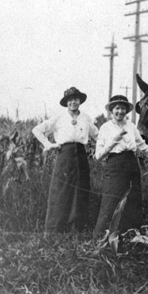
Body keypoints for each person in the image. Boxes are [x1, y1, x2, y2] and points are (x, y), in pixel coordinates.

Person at [94, 95, 148, 238]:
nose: (120, 111)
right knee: (111, 200)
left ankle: (130, 235)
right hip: (114, 165)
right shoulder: (105, 128)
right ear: (111, 110)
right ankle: (102, 235)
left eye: (123, 108)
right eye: (117, 108)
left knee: (133, 200)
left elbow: (144, 148)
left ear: (127, 111)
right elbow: (98, 155)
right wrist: (114, 140)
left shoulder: (131, 126)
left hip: (132, 165)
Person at [32, 87, 99, 234]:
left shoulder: (86, 118)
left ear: (80, 101)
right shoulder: (59, 117)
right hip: (65, 155)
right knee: (62, 190)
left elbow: (98, 136)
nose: (73, 102)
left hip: (81, 155)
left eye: (76, 99)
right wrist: (48, 144)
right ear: (66, 102)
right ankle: (56, 229)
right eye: (70, 100)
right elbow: (37, 130)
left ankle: (77, 228)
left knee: (81, 189)